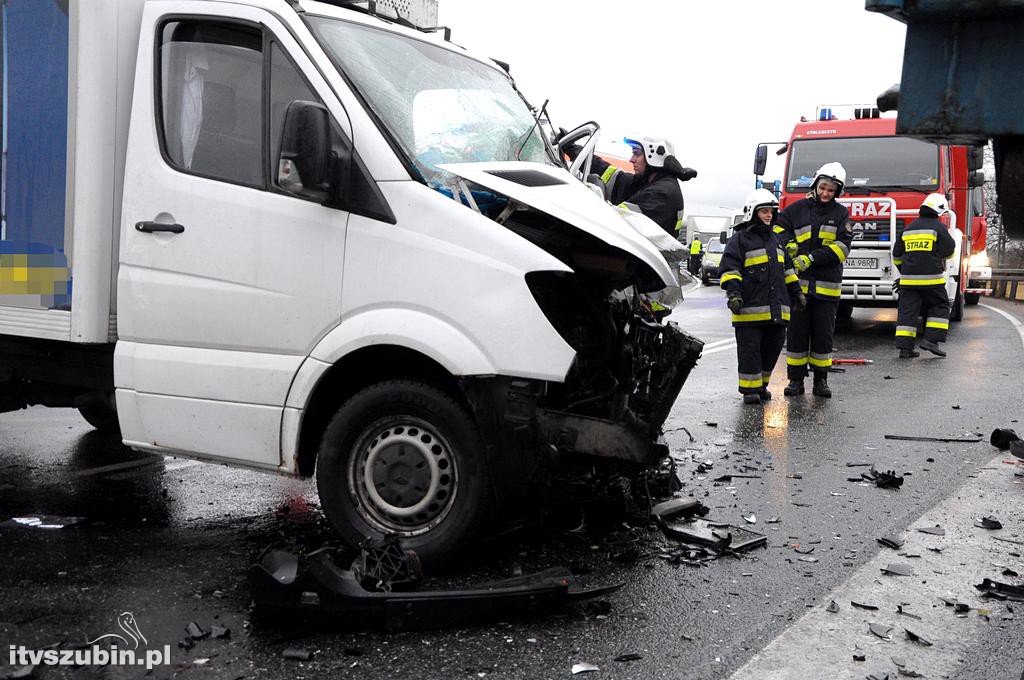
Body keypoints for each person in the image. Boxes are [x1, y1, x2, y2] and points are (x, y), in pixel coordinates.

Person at [719, 189, 806, 404]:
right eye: (764, 211)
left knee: (772, 348)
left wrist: (797, 292)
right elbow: (730, 269)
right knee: (750, 352)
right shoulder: (739, 240)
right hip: (749, 310)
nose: (769, 215)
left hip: (777, 310)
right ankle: (749, 390)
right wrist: (734, 294)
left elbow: (787, 270)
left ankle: (762, 386)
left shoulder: (777, 240)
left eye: (771, 211)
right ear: (752, 212)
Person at [775, 162, 853, 398]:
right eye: (823, 188)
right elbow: (778, 230)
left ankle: (821, 381)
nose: (826, 193)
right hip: (798, 288)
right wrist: (790, 247)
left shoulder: (841, 214)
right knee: (797, 335)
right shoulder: (796, 210)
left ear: (837, 192)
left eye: (831, 190)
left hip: (827, 290)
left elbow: (842, 248)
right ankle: (795, 381)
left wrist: (810, 258)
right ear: (815, 185)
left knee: (823, 336)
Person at [573, 135, 697, 235]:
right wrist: (574, 150)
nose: (631, 159)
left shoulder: (660, 194)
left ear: (654, 158)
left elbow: (614, 221)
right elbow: (612, 174)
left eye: (637, 154)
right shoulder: (652, 184)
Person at [891, 193, 957, 358]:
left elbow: (896, 255)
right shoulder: (938, 227)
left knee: (908, 312)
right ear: (939, 211)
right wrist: (937, 256)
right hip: (932, 280)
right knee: (940, 305)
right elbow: (949, 250)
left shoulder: (908, 229)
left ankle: (905, 349)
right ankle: (931, 341)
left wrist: (905, 271)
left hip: (908, 281)